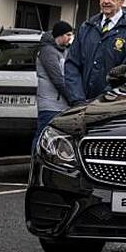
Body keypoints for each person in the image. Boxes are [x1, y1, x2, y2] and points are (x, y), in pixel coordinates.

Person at [64, 0, 126, 106]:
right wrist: (78, 99)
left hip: (110, 106)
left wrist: (101, 101)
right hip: (80, 105)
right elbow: (72, 65)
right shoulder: (87, 27)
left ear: (122, 0)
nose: (106, 1)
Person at [33, 20, 75, 154]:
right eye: (68, 35)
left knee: (56, 139)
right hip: (50, 103)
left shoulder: (64, 51)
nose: (70, 38)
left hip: (61, 105)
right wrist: (72, 98)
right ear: (60, 35)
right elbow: (57, 79)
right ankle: (36, 161)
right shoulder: (48, 52)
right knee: (43, 136)